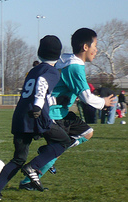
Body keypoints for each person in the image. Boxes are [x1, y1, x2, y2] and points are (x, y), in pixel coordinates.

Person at [20, 28, 116, 189]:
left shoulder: (67, 60)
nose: (96, 50)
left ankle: (45, 155)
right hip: (53, 114)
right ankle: (28, 181)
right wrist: (104, 102)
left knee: (87, 133)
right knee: (58, 147)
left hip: (59, 111)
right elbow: (87, 97)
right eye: (95, 45)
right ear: (85, 47)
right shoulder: (74, 67)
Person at [0, 36, 72, 201]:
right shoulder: (51, 71)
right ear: (58, 56)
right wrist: (38, 106)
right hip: (36, 116)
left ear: (39, 53)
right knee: (63, 142)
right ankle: (34, 167)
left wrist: (54, 101)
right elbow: (42, 85)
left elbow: (39, 90)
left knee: (18, 158)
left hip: (21, 115)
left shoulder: (33, 70)